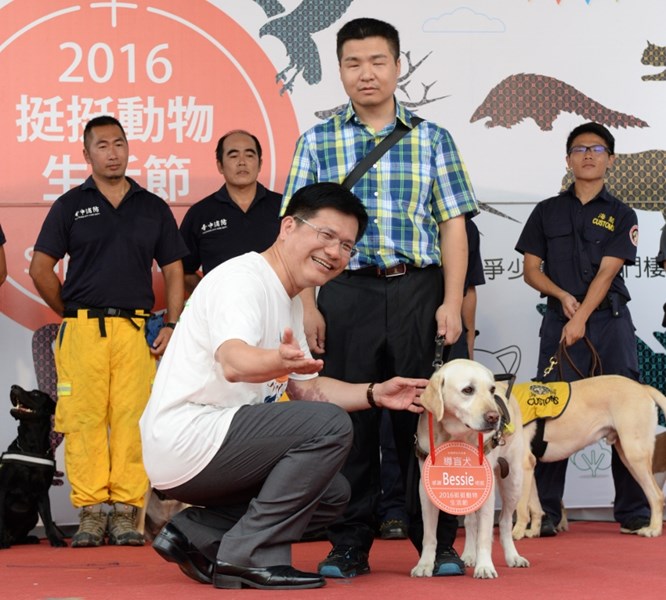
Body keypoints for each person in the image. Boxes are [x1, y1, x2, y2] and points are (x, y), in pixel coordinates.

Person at [140, 182, 427, 590]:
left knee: (332, 492)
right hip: (190, 437)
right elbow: (235, 362)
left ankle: (193, 531)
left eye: (347, 246)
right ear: (288, 227)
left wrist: (374, 393)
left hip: (219, 442)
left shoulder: (290, 298)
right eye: (326, 236)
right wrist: (277, 360)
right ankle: (245, 555)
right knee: (328, 427)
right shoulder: (243, 280)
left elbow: (308, 391)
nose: (335, 253)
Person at [282, 17, 479, 578]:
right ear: (340, 70)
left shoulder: (432, 138)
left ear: (396, 66)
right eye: (352, 63)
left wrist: (449, 300)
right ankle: (349, 543)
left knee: (432, 422)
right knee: (349, 425)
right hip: (344, 295)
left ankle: (437, 542)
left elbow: (453, 228)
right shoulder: (317, 141)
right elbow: (296, 236)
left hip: (419, 291)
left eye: (376, 62)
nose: (365, 74)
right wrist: (310, 304)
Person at [29, 115, 188, 548]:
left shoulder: (151, 206)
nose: (113, 152)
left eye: (119, 143)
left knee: (131, 421)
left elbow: (173, 270)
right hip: (83, 333)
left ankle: (124, 513)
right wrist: (71, 312)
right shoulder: (69, 205)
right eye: (102, 145)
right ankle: (91, 513)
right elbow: (40, 268)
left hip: (135, 330)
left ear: (128, 148)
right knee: (83, 422)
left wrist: (171, 323)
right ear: (87, 154)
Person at [515, 121, 650, 536]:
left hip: (608, 322)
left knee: (621, 414)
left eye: (596, 148)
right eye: (578, 148)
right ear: (568, 158)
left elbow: (608, 273)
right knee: (547, 412)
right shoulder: (546, 211)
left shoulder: (621, 213)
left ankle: (633, 512)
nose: (587, 155)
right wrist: (561, 297)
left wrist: (581, 316)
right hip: (558, 320)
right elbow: (530, 270)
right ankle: (548, 513)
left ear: (609, 159)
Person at [179, 130, 282, 294]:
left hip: (279, 310)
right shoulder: (200, 213)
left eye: (249, 155)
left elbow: (302, 259)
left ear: (260, 163)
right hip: (221, 314)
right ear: (220, 165)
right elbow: (183, 271)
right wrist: (210, 296)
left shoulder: (284, 207)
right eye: (233, 156)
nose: (242, 162)